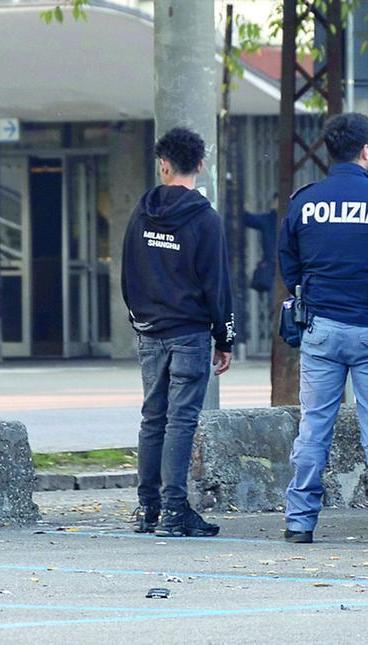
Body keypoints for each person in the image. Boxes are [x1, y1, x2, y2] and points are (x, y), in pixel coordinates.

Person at [278, 113, 368, 545]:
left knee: (314, 426)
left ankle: (300, 522)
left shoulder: (306, 201)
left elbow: (290, 266)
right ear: (367, 149)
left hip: (320, 330)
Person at [121, 127, 235, 537]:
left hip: (149, 331)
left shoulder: (142, 210)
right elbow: (217, 285)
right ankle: (174, 510)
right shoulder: (205, 218)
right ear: (200, 165)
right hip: (189, 332)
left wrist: (139, 317)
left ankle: (147, 509)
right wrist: (225, 339)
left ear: (163, 165)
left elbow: (127, 270)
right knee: (181, 420)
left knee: (153, 417)